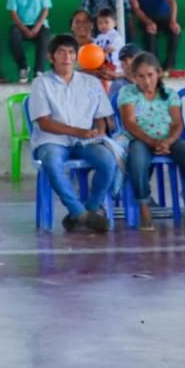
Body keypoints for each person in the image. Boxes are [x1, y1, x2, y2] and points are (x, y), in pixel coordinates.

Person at [28, 34, 119, 233]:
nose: (67, 57)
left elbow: (101, 115)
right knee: (51, 162)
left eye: (71, 52)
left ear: (76, 56)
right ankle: (79, 212)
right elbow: (44, 123)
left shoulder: (91, 82)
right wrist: (79, 131)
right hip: (52, 140)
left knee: (107, 161)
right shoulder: (41, 83)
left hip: (86, 141)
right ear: (51, 57)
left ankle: (91, 209)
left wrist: (99, 131)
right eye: (61, 52)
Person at [116, 52, 185, 232]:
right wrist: (152, 141)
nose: (147, 81)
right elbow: (130, 123)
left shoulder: (170, 94)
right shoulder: (127, 92)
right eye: (141, 76)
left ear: (158, 73)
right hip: (140, 139)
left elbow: (176, 122)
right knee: (137, 159)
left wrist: (168, 141)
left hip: (168, 139)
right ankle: (144, 209)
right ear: (134, 77)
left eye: (150, 75)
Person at [124, 0, 181, 72]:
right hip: (146, 19)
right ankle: (154, 66)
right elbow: (136, 9)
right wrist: (149, 22)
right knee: (149, 32)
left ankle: (169, 65)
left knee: (176, 31)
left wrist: (173, 21)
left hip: (164, 17)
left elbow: (172, 1)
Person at [6, 0, 51, 84]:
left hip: (39, 24)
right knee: (13, 36)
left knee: (45, 38)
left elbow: (46, 9)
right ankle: (23, 67)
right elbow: (13, 13)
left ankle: (39, 71)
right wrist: (25, 29)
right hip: (21, 24)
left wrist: (36, 28)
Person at [93, 8, 125, 74]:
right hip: (101, 64)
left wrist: (101, 53)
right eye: (100, 23)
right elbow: (93, 49)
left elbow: (111, 48)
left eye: (106, 22)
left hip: (113, 65)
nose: (103, 25)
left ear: (115, 23)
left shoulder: (116, 36)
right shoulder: (98, 37)